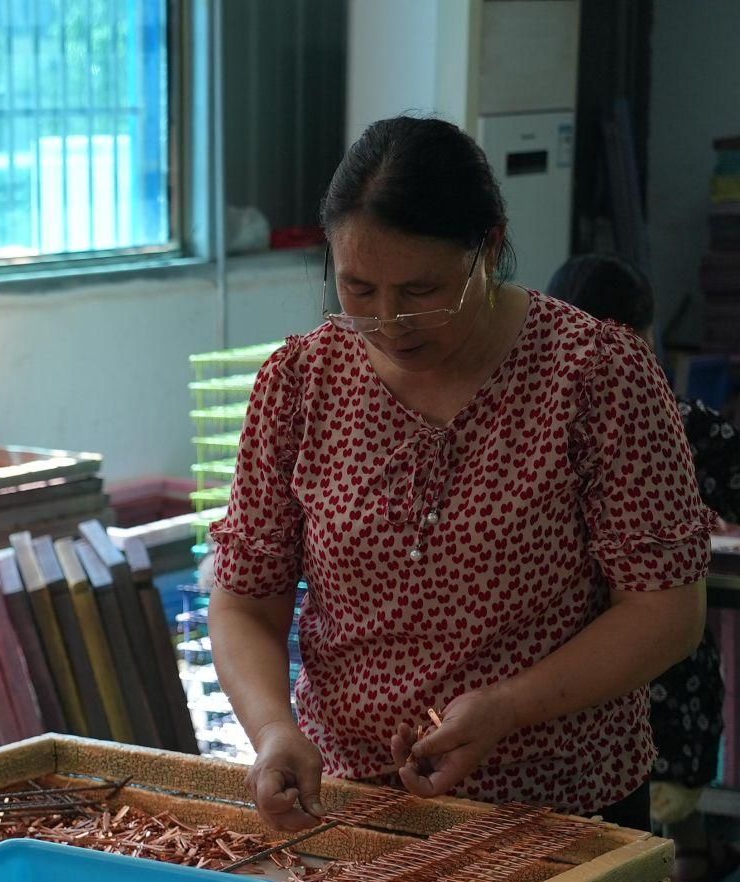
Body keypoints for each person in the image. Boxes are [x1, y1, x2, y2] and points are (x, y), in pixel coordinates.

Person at [209, 116, 713, 832]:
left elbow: (666, 611)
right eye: (358, 289)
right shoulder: (302, 382)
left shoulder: (593, 375)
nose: (389, 321)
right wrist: (273, 730)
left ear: (492, 247)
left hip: (560, 805)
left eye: (422, 291)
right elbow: (244, 603)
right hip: (353, 803)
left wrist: (509, 707)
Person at [546, 252, 740, 879]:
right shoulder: (690, 427)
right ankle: (691, 855)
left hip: (577, 716)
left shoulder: (539, 438)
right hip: (652, 704)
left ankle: (689, 856)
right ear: (646, 335)